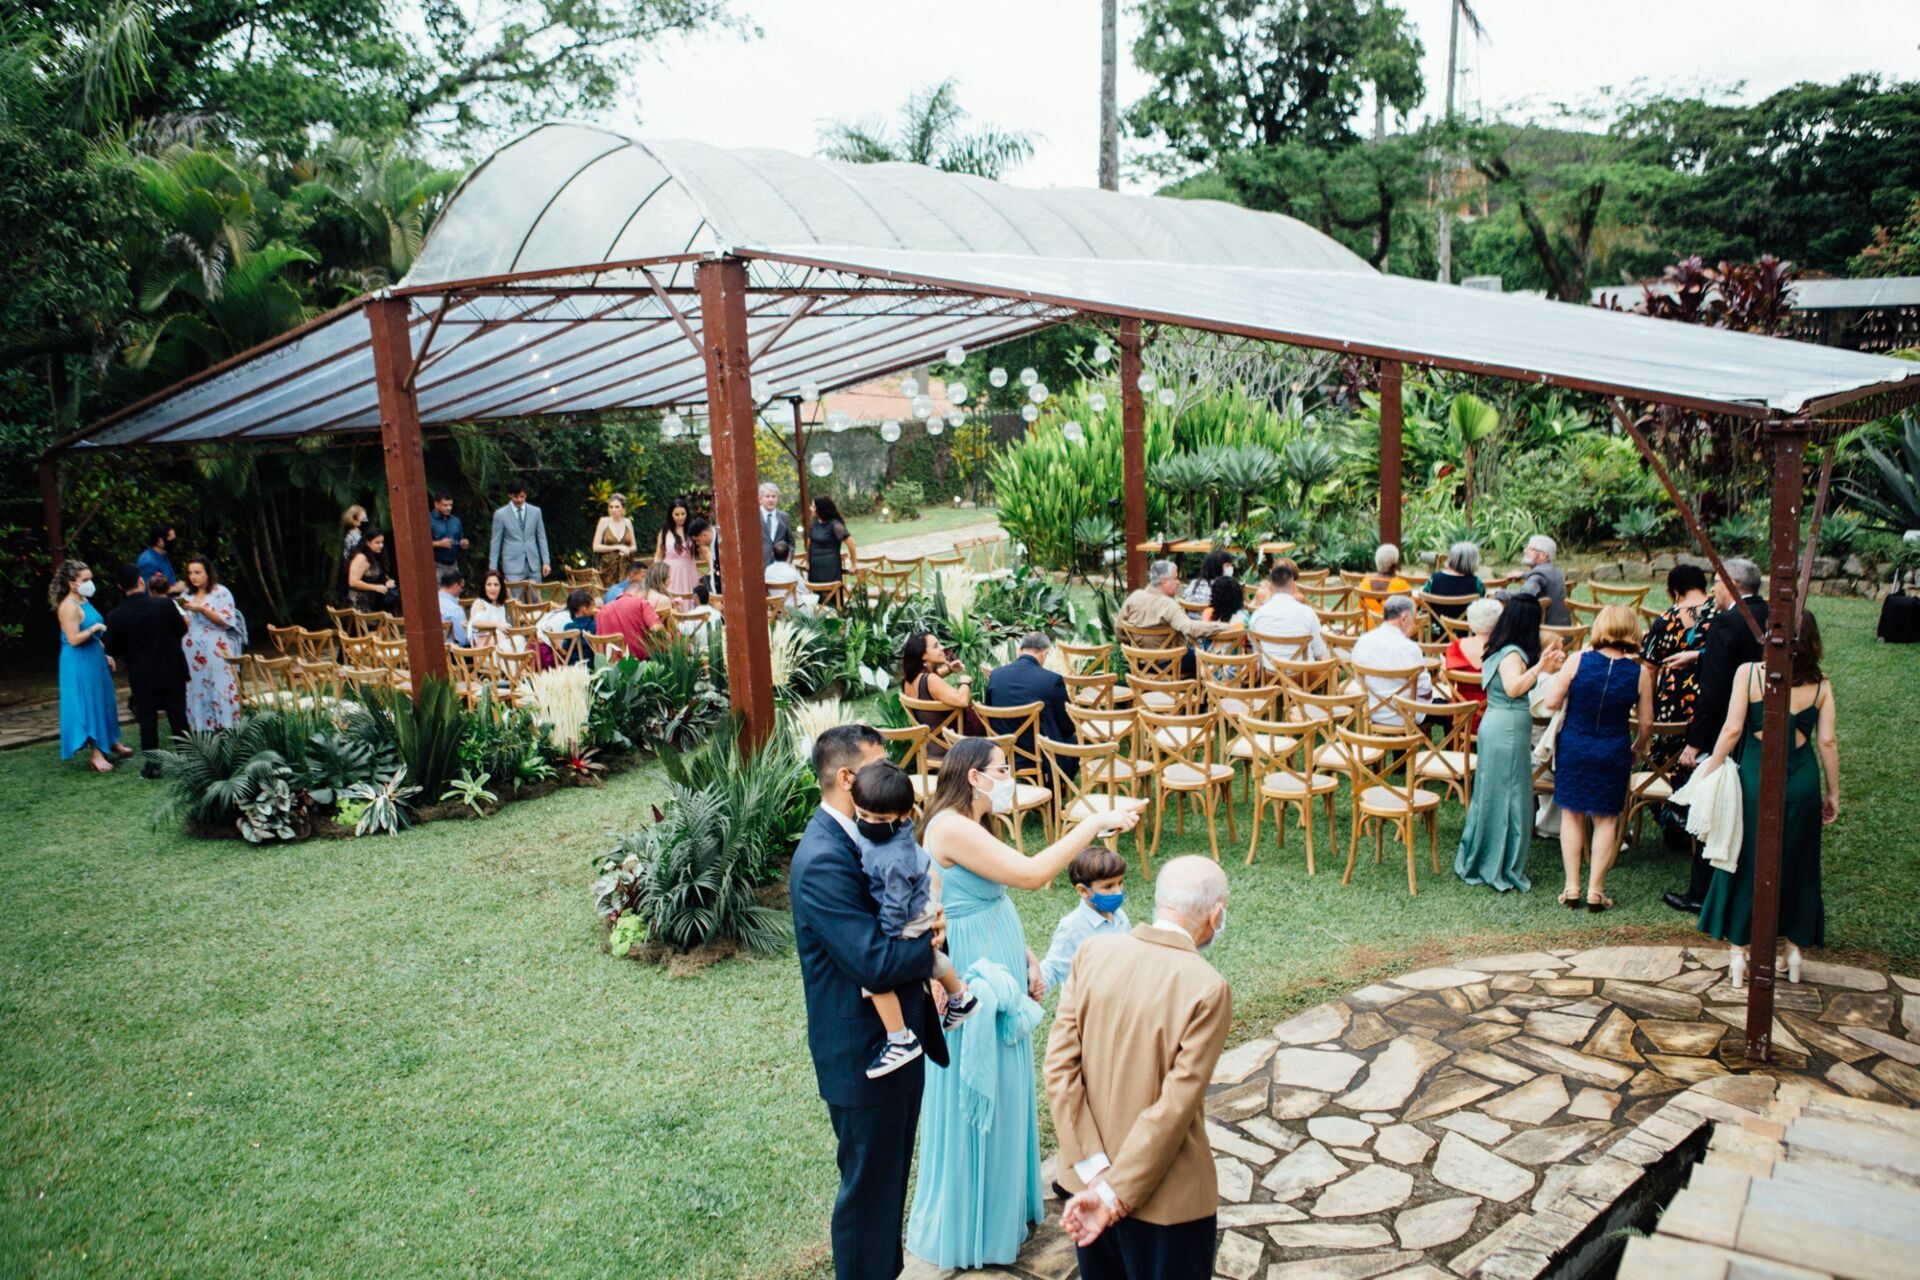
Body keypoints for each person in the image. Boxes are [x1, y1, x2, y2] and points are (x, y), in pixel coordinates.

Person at [908, 738, 1144, 1270]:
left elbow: (991, 893)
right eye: (1001, 768)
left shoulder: (973, 823)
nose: (1008, 774)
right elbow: (1034, 875)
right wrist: (1092, 823)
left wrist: (1028, 954)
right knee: (980, 1084)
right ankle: (973, 1226)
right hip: (967, 970)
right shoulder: (948, 825)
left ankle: (1004, 1211)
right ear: (973, 776)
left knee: (1010, 1083)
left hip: (999, 959)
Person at [790, 724, 949, 1280]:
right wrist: (928, 945)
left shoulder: (868, 832)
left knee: (886, 1195)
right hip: (864, 1056)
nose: (892, 779)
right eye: (882, 768)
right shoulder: (823, 859)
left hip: (896, 1047)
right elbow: (875, 962)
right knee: (868, 1204)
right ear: (847, 777)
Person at [1046, 856, 1231, 1280]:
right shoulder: (1206, 987)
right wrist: (1114, 1193)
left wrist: (1096, 1171)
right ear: (1215, 914)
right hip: (1168, 1201)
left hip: (1086, 1187)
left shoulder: (1093, 954)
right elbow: (1175, 1106)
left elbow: (1058, 1069)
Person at [1694, 611, 1837, 988]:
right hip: (1802, 784)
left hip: (1755, 781)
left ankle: (1739, 951)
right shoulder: (1821, 685)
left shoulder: (1750, 674)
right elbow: (1827, 742)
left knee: (1745, 859)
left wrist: (1709, 770)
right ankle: (1793, 950)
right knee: (1799, 862)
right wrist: (1833, 792)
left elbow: (1733, 728)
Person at [850, 761, 979, 1078]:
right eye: (862, 815)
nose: (867, 823)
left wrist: (888, 936)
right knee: (930, 959)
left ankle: (900, 1038)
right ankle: (960, 995)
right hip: (919, 902)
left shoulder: (894, 856)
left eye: (878, 820)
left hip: (907, 911)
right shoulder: (890, 834)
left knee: (875, 977)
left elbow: (895, 899)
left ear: (902, 817)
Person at [1664, 558, 1766, 914]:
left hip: (1727, 729)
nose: (1712, 593)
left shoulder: (1725, 623)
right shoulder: (1770, 615)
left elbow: (1714, 691)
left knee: (1712, 808)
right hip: (1764, 730)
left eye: (1717, 586)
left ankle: (1700, 892)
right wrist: (1699, 654)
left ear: (1731, 585)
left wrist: (1695, 743)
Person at [1543, 605, 1653, 911]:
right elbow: (1646, 723)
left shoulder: (1578, 660)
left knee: (1571, 813)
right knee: (1606, 819)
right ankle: (1595, 890)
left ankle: (1572, 886)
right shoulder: (1640, 673)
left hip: (1575, 744)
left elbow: (1551, 701)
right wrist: (1638, 748)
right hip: (1613, 747)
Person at [1453, 599, 1566, 893]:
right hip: (1507, 730)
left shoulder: (1497, 647)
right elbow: (1515, 687)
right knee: (1511, 797)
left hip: (1496, 724)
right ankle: (1500, 865)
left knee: (1493, 793)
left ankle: (1483, 857)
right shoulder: (1512, 653)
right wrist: (1541, 666)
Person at [1640, 564, 1719, 842]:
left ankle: (1672, 819)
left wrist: (1646, 705)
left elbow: (1648, 668)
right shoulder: (1719, 616)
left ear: (1674, 591)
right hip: (1711, 698)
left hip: (1672, 701)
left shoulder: (1664, 620)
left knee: (1665, 756)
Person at [104, 562, 190, 777]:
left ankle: (153, 766)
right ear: (141, 581)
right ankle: (189, 762)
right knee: (178, 717)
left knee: (148, 722)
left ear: (119, 587)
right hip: (171, 669)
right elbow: (180, 630)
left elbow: (114, 648)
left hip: (142, 674)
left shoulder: (116, 616)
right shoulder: (164, 605)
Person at [53, 561, 127, 772]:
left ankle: (111, 741)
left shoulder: (84, 600)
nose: (90, 583)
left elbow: (94, 636)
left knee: (104, 699)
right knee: (89, 704)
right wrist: (95, 628)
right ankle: (97, 753)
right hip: (78, 662)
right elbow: (74, 639)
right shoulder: (68, 607)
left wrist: (105, 653)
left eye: (90, 578)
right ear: (72, 583)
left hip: (94, 657)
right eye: (85, 580)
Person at [983, 632, 1078, 780]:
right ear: (1045, 653)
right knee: (1072, 741)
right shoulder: (1052, 680)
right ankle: (1053, 794)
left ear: (1019, 650)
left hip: (1003, 751)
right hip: (1039, 754)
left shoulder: (996, 676)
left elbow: (988, 715)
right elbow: (1067, 727)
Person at [1037, 845, 1130, 995]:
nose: (1118, 891)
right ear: (1083, 890)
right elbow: (1053, 967)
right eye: (1108, 886)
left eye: (1120, 883)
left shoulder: (1120, 917)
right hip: (1084, 1007)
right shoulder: (1072, 927)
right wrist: (1033, 988)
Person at [1116, 560, 1232, 676]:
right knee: (1207, 658)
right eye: (1175, 579)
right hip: (1170, 664)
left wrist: (1135, 651)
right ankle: (1210, 692)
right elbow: (1190, 628)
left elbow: (1119, 630)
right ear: (1164, 581)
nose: (1178, 583)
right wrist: (1224, 626)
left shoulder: (1134, 597)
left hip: (1138, 664)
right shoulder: (1168, 605)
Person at [1350, 595, 1434, 728]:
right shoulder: (1410, 648)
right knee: (1450, 712)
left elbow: (1358, 679)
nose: (1414, 626)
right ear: (1404, 618)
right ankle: (1446, 747)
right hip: (1406, 716)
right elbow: (1425, 690)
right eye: (1414, 621)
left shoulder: (1362, 642)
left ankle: (1401, 747)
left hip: (1372, 712)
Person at [180, 556, 244, 730]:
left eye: (198, 572)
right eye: (190, 573)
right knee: (197, 684)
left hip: (215, 643)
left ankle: (225, 723)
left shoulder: (221, 593)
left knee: (219, 681)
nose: (193, 576)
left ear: (208, 573)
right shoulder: (186, 595)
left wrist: (202, 609)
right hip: (192, 645)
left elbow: (227, 621)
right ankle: (202, 725)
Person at [903, 631, 985, 760]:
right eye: (936, 646)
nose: (942, 648)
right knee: (989, 714)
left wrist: (949, 669)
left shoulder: (909, 680)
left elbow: (929, 684)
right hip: (954, 746)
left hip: (931, 746)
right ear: (923, 655)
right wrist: (965, 682)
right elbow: (962, 700)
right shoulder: (931, 680)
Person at [1247, 558, 1328, 666]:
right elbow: (1320, 652)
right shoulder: (1307, 613)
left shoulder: (1258, 615)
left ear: (1270, 586)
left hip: (1270, 675)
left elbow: (1256, 652)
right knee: (1333, 669)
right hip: (1302, 675)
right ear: (1293, 585)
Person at [1445, 596, 1506, 729]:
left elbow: (1446, 675)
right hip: (1496, 717)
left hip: (1462, 714)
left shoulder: (1455, 647)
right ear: (1499, 622)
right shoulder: (1505, 652)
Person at [596, 561, 665, 659]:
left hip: (610, 664)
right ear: (638, 593)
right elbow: (656, 628)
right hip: (638, 662)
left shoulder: (602, 610)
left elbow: (599, 643)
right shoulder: (641, 603)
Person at [489, 477, 550, 587]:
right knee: (516, 602)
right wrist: (493, 569)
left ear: (526, 495)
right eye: (516, 497)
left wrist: (546, 562)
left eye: (522, 496)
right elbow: (495, 542)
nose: (519, 500)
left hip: (533, 564)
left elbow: (542, 538)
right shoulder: (500, 514)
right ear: (510, 495)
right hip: (512, 566)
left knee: (537, 602)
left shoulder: (536, 512)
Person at [1505, 534, 1572, 627]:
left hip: (1546, 634)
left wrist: (1499, 593)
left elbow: (1525, 596)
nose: (1525, 551)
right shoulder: (1557, 572)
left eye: (1530, 549)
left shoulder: (1538, 575)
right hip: (1565, 632)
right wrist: (1523, 575)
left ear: (1543, 555)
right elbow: (1542, 576)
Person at [653, 497, 700, 597]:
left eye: (683, 514)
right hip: (670, 574)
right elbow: (658, 555)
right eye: (677, 514)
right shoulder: (664, 532)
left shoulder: (693, 530)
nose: (680, 517)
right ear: (671, 515)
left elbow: (704, 550)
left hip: (689, 572)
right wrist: (656, 575)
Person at [1425, 541, 1484, 615]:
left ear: (1451, 558)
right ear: (1473, 562)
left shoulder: (1434, 579)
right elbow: (1481, 603)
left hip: (1437, 624)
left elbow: (1423, 597)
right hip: (1466, 625)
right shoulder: (1477, 583)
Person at [1359, 542, 1412, 624]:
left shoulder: (1364, 583)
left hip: (1370, 630)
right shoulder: (1400, 585)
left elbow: (1360, 610)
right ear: (1394, 565)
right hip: (1393, 631)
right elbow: (1411, 608)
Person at [808, 496, 857, 585]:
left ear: (821, 509)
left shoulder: (835, 525)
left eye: (813, 506)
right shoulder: (814, 523)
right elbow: (810, 543)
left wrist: (854, 564)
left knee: (830, 596)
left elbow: (850, 542)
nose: (810, 508)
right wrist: (807, 561)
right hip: (814, 569)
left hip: (829, 570)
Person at [591, 492, 637, 587]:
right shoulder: (603, 522)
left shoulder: (628, 522)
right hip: (608, 566)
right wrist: (618, 547)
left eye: (617, 507)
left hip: (626, 566)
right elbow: (595, 547)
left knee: (626, 595)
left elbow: (634, 546)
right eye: (610, 507)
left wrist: (627, 550)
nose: (613, 510)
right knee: (610, 595)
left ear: (623, 508)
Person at [763, 539, 819, 614]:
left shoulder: (767, 571)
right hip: (793, 609)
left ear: (773, 554)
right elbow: (805, 590)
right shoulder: (792, 573)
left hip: (775, 607)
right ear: (789, 554)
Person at [346, 528, 394, 613]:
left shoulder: (375, 556)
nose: (381, 545)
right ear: (368, 542)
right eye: (377, 542)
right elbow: (353, 582)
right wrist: (376, 587)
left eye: (382, 542)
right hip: (359, 605)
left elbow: (378, 575)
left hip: (373, 602)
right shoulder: (361, 558)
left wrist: (387, 581)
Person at [136, 524, 184, 595]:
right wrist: (175, 589)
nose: (174, 541)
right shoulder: (148, 562)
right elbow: (148, 592)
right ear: (160, 541)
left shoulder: (163, 555)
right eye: (171, 539)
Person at [469, 569, 511, 648]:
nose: (492, 588)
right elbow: (475, 623)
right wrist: (497, 624)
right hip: (487, 651)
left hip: (501, 646)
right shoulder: (480, 603)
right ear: (484, 587)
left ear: (501, 587)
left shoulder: (500, 606)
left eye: (496, 585)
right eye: (489, 584)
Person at [757, 482, 794, 568]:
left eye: (774, 496)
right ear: (760, 499)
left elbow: (791, 542)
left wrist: (788, 560)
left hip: (781, 568)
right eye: (767, 496)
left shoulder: (784, 517)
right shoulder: (753, 517)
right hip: (760, 568)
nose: (771, 500)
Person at [429, 492, 468, 570]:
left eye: (451, 505)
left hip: (453, 564)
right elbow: (420, 544)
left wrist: (464, 543)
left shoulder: (456, 521)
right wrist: (439, 543)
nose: (449, 508)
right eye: (445, 505)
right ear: (436, 504)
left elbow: (460, 539)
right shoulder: (428, 520)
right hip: (435, 565)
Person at [559, 588, 598, 665]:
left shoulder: (568, 628)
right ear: (585, 609)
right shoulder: (593, 625)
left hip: (573, 668)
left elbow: (565, 648)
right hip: (591, 668)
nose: (593, 609)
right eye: (592, 606)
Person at [437, 566, 472, 646]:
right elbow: (463, 640)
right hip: (450, 654)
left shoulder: (429, 602)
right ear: (455, 585)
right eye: (462, 587)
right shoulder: (455, 609)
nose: (461, 591)